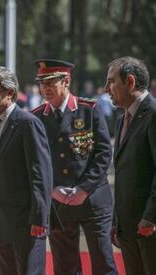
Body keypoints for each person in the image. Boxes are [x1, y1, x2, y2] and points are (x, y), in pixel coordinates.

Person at [32, 59, 117, 275]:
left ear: (66, 81)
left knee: (103, 262)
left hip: (93, 200)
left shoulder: (89, 109)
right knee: (65, 267)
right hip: (58, 204)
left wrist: (84, 188)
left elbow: (103, 153)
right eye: (42, 84)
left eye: (51, 83)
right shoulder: (37, 117)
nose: (45, 89)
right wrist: (52, 189)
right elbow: (35, 162)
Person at [0, 65, 52, 275]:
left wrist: (40, 218)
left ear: (9, 93)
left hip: (26, 224)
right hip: (0, 222)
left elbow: (41, 175)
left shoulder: (27, 124)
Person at [105, 56, 156, 275]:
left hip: (148, 227)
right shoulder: (122, 118)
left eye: (112, 81)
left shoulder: (153, 114)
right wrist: (117, 219)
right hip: (128, 227)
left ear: (131, 82)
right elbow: (124, 174)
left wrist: (151, 216)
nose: (107, 88)